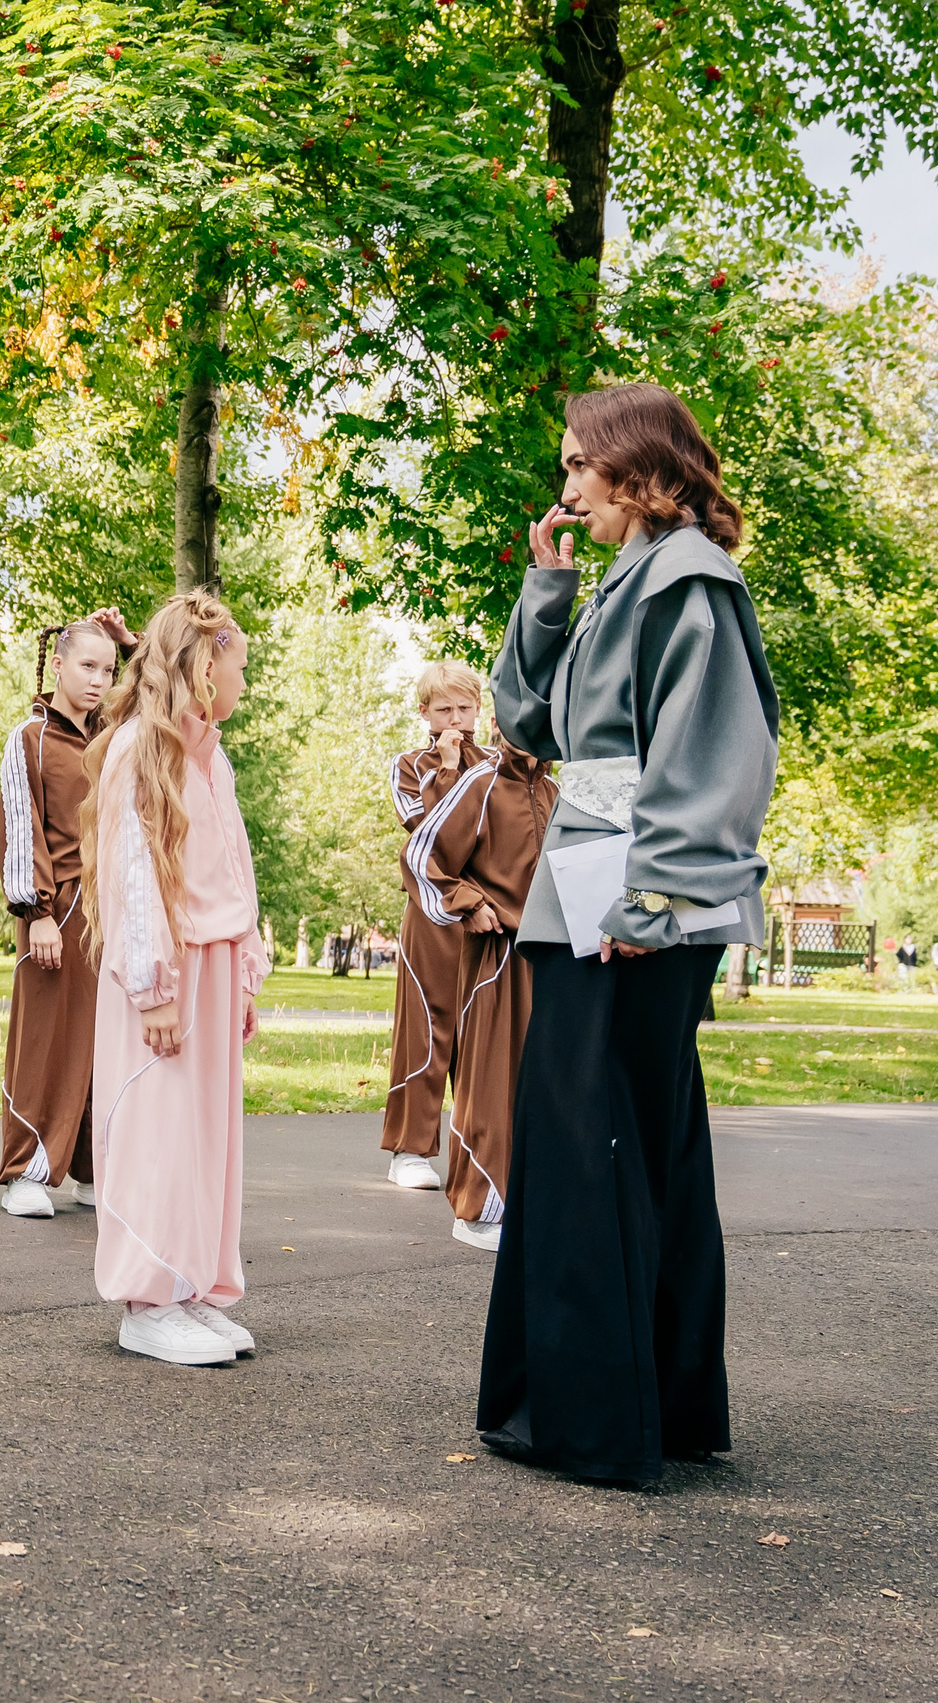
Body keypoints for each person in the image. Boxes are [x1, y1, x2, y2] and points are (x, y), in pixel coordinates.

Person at [480, 382, 779, 1488]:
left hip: (631, 904)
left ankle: (599, 1419)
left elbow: (716, 752)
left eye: (576, 467)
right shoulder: (624, 582)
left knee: (593, 1139)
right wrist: (546, 588)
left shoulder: (692, 580)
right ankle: (635, 1407)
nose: (564, 490)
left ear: (634, 468)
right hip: (593, 887)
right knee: (610, 1138)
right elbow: (532, 724)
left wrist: (651, 900)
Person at [80, 592, 268, 1366]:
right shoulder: (137, 748)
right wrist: (154, 986)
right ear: (202, 667)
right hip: (164, 972)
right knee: (158, 1130)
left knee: (204, 1137)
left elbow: (234, 863)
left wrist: (247, 967)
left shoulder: (210, 752)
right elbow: (131, 873)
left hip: (215, 962)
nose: (244, 683)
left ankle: (190, 1284)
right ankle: (145, 1300)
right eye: (239, 667)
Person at [0, 610, 131, 1218]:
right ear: (58, 664)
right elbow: (20, 831)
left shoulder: (117, 734)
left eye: (109, 668)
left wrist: (135, 644)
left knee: (106, 1043)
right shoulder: (30, 737)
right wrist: (37, 913)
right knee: (46, 1041)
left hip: (115, 910)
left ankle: (90, 1169)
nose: (99, 679)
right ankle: (26, 1170)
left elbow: (173, 698)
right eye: (87, 665)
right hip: (57, 908)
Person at [407, 719, 557, 1252]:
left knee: (545, 1085)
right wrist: (468, 904)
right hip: (497, 957)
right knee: (490, 1081)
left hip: (553, 960)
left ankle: (527, 1206)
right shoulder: (481, 782)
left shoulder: (557, 790)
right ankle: (477, 1210)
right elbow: (424, 855)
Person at [380, 661, 486, 1191]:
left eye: (465, 708)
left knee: (484, 1033)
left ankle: (482, 1149)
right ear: (423, 712)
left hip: (488, 915)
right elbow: (431, 836)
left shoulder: (497, 764)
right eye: (444, 708)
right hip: (431, 913)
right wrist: (446, 770)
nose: (456, 719)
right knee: (425, 1027)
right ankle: (409, 1149)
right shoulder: (408, 765)